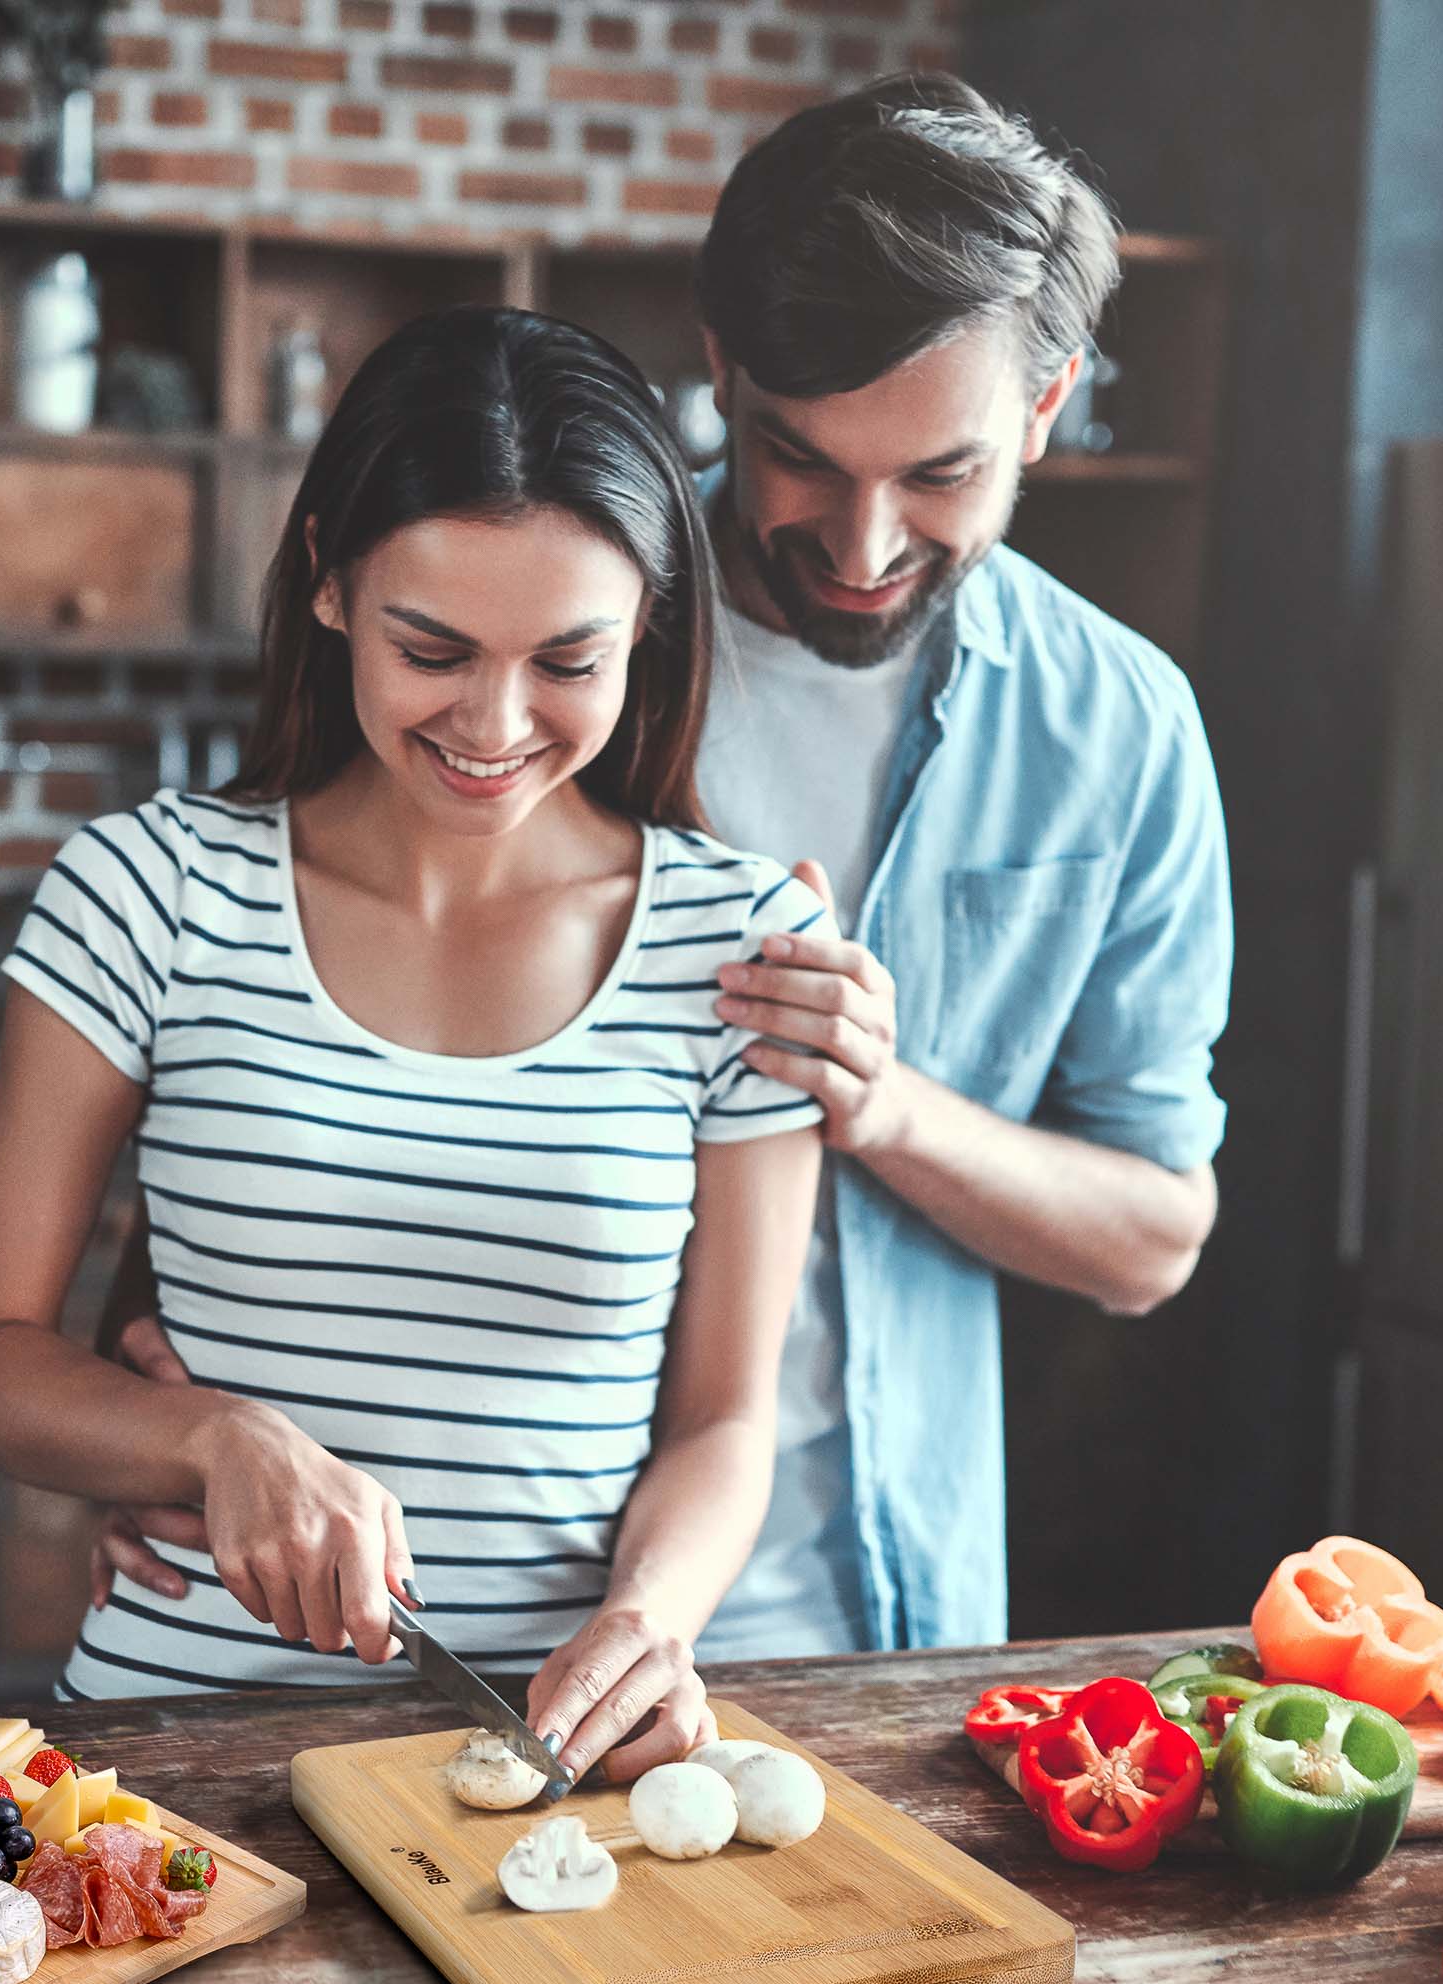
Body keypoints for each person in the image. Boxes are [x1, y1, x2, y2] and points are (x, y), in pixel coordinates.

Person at [88, 73, 1234, 1665]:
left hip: (866, 1598)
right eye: (802, 460)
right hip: (427, 1614)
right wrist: (157, 1417)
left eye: (941, 477)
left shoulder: (1118, 729)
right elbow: (270, 1015)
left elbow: (1155, 1234)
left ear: (1044, 409)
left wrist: (880, 1102)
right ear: (719, 372)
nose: (862, 542)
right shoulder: (533, 619)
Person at [0, 306, 831, 1784]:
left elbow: (727, 1420)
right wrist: (213, 1441)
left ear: (650, 623)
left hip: (548, 1756)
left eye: (567, 662)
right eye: (435, 647)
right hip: (176, 1751)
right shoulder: (147, 892)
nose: (495, 721)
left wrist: (651, 1622)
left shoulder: (739, 949)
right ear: (333, 581)